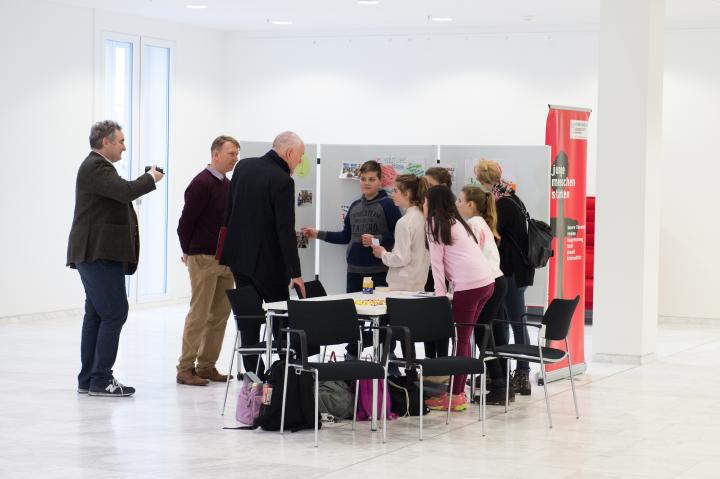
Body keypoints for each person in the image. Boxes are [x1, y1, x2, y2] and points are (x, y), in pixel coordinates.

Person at [67, 120, 164, 397]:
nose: (124, 146)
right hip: (98, 252)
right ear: (106, 142)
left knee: (97, 314)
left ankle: (89, 379)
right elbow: (125, 191)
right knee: (115, 312)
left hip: (96, 252)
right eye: (120, 141)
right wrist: (151, 179)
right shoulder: (95, 166)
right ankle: (100, 378)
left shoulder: (97, 168)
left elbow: (119, 192)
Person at [220, 131, 306, 377]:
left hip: (238, 257)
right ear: (289, 153)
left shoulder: (243, 167)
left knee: (248, 317)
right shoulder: (282, 180)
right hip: (268, 263)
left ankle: (253, 375)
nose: (299, 162)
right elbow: (284, 230)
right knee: (280, 319)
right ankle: (286, 374)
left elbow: (230, 210)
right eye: (299, 157)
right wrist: (296, 273)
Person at [303, 160, 401, 358]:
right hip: (354, 271)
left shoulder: (389, 204)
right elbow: (345, 236)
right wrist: (318, 233)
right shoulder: (355, 206)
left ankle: (386, 359)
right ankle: (352, 356)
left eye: (371, 179)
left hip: (379, 271)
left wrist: (377, 239)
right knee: (353, 315)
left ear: (380, 181)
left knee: (382, 317)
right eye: (363, 179)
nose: (366, 183)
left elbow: (399, 235)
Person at [422, 186, 495, 411]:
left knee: (461, 339)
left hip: (471, 286)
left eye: (424, 202)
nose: (422, 206)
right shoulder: (455, 221)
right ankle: (458, 392)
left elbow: (437, 264)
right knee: (464, 338)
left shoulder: (435, 223)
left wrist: (440, 297)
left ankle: (456, 395)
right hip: (486, 283)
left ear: (432, 204)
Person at [175, 136, 240, 386]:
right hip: (203, 257)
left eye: (236, 154)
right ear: (215, 155)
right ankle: (185, 368)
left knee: (220, 315)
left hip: (225, 259)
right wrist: (187, 251)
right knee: (199, 314)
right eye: (231, 153)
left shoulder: (227, 185)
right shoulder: (201, 184)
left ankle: (206, 366)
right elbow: (185, 224)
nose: (235, 158)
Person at [475, 158, 534, 396]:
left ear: (483, 179)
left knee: (514, 323)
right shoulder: (512, 197)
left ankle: (521, 373)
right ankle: (512, 371)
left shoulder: (502, 204)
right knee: (511, 321)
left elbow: (494, 237)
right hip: (516, 270)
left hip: (509, 271)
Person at [456, 185, 513, 404]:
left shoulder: (472, 224)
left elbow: (470, 258)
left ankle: (499, 386)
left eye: (460, 200)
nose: (457, 204)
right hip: (496, 281)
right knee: (489, 333)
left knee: (482, 334)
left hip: (489, 281)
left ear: (471, 204)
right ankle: (501, 385)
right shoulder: (480, 223)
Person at [371, 174, 429, 292]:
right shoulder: (424, 218)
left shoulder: (404, 222)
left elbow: (400, 258)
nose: (392, 194)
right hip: (419, 281)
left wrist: (382, 253)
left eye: (395, 191)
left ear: (407, 194)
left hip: (402, 286)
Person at [422, 166, 453, 359]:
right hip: (430, 272)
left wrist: (440, 293)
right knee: (428, 319)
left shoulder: (443, 218)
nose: (426, 190)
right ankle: (429, 361)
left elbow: (439, 260)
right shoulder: (430, 214)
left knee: (440, 317)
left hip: (442, 275)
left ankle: (440, 364)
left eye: (430, 185)